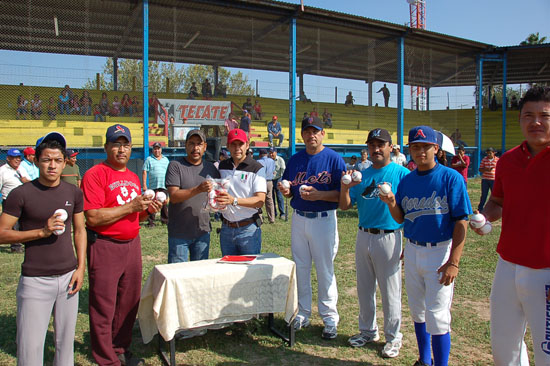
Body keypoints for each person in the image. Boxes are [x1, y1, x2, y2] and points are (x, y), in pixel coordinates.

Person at [379, 125, 472, 366]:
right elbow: (401, 217)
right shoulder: (408, 181)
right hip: (411, 250)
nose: (421, 151)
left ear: (436, 148)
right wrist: (390, 202)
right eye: (416, 147)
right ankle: (424, 360)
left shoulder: (450, 177)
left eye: (426, 146)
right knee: (418, 311)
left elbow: (461, 220)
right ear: (410, 149)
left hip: (440, 251)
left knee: (438, 315)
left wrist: (454, 262)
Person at [471, 86, 550, 366]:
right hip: (508, 265)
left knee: (547, 351)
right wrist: (485, 217)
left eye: (544, 115)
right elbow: (498, 201)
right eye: (528, 115)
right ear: (519, 120)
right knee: (505, 349)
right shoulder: (507, 161)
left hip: (546, 270)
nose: (536, 122)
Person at [0, 132, 86, 366]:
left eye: (58, 160)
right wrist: (41, 232)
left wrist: (80, 268)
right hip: (35, 281)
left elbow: (80, 230)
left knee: (64, 346)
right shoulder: (21, 194)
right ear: (36, 161)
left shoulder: (73, 193)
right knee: (30, 349)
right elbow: (2, 233)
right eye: (47, 159)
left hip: (69, 278)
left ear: (65, 161)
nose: (52, 165)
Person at [82, 124, 161, 366]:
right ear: (106, 147)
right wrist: (131, 207)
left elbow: (134, 216)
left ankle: (120, 348)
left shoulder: (132, 177)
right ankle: (106, 358)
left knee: (128, 303)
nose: (121, 149)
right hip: (105, 245)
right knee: (104, 304)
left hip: (131, 244)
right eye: (116, 144)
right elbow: (93, 217)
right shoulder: (95, 174)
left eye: (125, 144)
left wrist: (148, 211)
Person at [339, 128, 409, 358]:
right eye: (372, 145)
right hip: (363, 234)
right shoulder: (363, 174)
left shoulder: (401, 174)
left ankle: (393, 336)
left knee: (390, 290)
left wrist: (406, 242)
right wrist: (345, 188)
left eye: (381, 144)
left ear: (391, 147)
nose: (376, 149)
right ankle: (368, 331)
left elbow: (408, 210)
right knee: (364, 288)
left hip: (389, 234)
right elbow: (346, 206)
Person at [279, 116, 346, 340]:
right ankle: (303, 313)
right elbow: (289, 188)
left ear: (322, 133)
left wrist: (319, 195)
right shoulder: (296, 159)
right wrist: (285, 190)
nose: (311, 135)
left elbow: (342, 195)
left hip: (324, 218)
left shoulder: (334, 159)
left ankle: (329, 318)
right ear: (302, 134)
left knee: (325, 269)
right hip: (299, 218)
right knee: (301, 268)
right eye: (307, 131)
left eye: (315, 131)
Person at [166, 129, 220, 262]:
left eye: (199, 144)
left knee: (199, 277)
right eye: (191, 143)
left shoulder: (211, 168)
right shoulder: (175, 166)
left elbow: (218, 195)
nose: (195, 148)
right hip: (179, 233)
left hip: (203, 231)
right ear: (185, 145)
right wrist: (198, 189)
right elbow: (173, 196)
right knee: (178, 276)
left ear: (205, 147)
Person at [217, 129, 266, 255]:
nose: (237, 148)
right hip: (226, 229)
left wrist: (234, 200)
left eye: (240, 144)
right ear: (227, 146)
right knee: (229, 271)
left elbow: (260, 200)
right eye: (233, 144)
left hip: (248, 229)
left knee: (249, 271)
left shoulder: (257, 168)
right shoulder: (221, 166)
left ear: (247, 145)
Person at [0, 148, 31, 253]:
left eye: (18, 158)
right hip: (9, 201)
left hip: (24, 200)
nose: (17, 160)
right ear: (8, 159)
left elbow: (28, 181)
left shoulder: (21, 169)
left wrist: (25, 181)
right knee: (13, 225)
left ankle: (26, 242)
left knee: (25, 222)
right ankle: (16, 246)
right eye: (14, 158)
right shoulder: (2, 171)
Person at [142, 142, 169, 226]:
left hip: (163, 185)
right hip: (153, 186)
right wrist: (144, 185)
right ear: (153, 150)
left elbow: (169, 172)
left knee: (164, 203)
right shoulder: (149, 159)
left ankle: (165, 220)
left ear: (161, 149)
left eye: (158, 148)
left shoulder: (166, 159)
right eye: (155, 149)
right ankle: (151, 222)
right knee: (152, 204)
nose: (157, 150)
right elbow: (144, 172)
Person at [257, 149, 275, 224]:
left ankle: (260, 219)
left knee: (259, 199)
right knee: (269, 200)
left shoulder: (258, 161)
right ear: (266, 154)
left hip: (261, 181)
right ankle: (271, 219)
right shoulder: (272, 161)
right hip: (269, 181)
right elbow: (273, 171)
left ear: (260, 154)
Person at [477, 147, 498, 212]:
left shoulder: (497, 160)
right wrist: (486, 169)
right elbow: (480, 169)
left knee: (494, 195)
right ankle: (480, 208)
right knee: (484, 194)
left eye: (490, 153)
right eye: (487, 153)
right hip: (485, 179)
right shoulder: (484, 159)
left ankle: (495, 208)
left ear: (494, 153)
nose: (488, 155)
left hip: (494, 180)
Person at [270, 147, 286, 220]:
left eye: (272, 152)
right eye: (270, 152)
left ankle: (282, 213)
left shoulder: (280, 160)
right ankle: (274, 213)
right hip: (270, 180)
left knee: (279, 197)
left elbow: (283, 170)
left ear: (275, 152)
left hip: (278, 179)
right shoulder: (268, 160)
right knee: (271, 197)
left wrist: (282, 180)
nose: (271, 154)